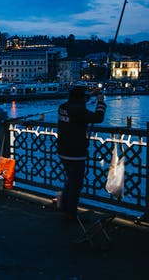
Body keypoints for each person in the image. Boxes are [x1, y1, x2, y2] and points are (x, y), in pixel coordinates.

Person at [57, 86, 107, 218]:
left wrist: (91, 94)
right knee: (76, 184)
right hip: (76, 151)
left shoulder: (63, 107)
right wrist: (101, 102)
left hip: (62, 150)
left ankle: (64, 206)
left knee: (70, 180)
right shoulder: (79, 110)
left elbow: (79, 103)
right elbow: (98, 117)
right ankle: (71, 212)